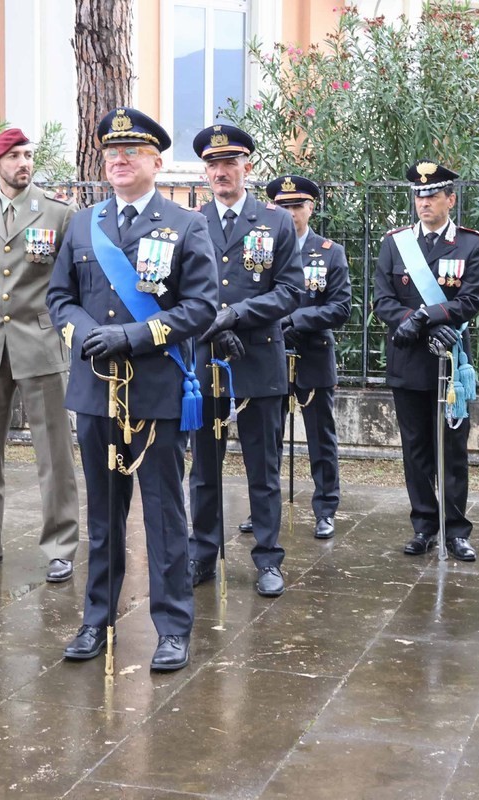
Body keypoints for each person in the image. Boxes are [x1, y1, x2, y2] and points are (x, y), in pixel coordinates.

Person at [47, 107, 217, 671]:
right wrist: (86, 332)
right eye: (111, 152)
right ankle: (97, 618)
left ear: (156, 161)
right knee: (104, 515)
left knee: (165, 513)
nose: (119, 160)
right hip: (95, 392)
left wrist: (136, 334)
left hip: (157, 391)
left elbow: (201, 307)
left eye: (132, 152)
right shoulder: (83, 224)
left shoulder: (185, 225)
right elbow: (59, 299)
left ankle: (172, 626)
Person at [0, 128, 80, 583]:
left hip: (41, 342)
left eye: (28, 155)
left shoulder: (59, 213)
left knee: (54, 452)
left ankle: (61, 545)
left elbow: (70, 281)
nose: (24, 163)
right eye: (14, 156)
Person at [187, 124, 303, 597]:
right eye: (213, 165)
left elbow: (291, 290)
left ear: (247, 168)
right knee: (203, 468)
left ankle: (268, 558)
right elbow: (175, 293)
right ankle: (202, 552)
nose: (220, 172)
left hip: (258, 359)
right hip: (204, 359)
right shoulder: (189, 222)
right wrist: (212, 322)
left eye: (229, 163)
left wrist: (238, 315)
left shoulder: (274, 222)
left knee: (263, 466)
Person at [372, 161, 479, 560]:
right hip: (409, 359)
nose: (424, 202)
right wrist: (414, 322)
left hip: (452, 362)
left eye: (433, 194)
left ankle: (456, 529)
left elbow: (471, 299)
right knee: (415, 447)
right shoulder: (395, 243)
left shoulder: (471, 244)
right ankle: (424, 525)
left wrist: (427, 316)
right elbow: (383, 300)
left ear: (450, 200)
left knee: (452, 448)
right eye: (419, 195)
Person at [263, 174, 352, 539]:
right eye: (283, 206)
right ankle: (263, 508)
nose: (290, 212)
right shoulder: (261, 250)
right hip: (270, 354)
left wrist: (296, 319)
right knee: (267, 438)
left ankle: (325, 507)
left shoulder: (330, 252)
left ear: (310, 207)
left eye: (297, 205)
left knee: (321, 436)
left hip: (313, 352)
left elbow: (341, 307)